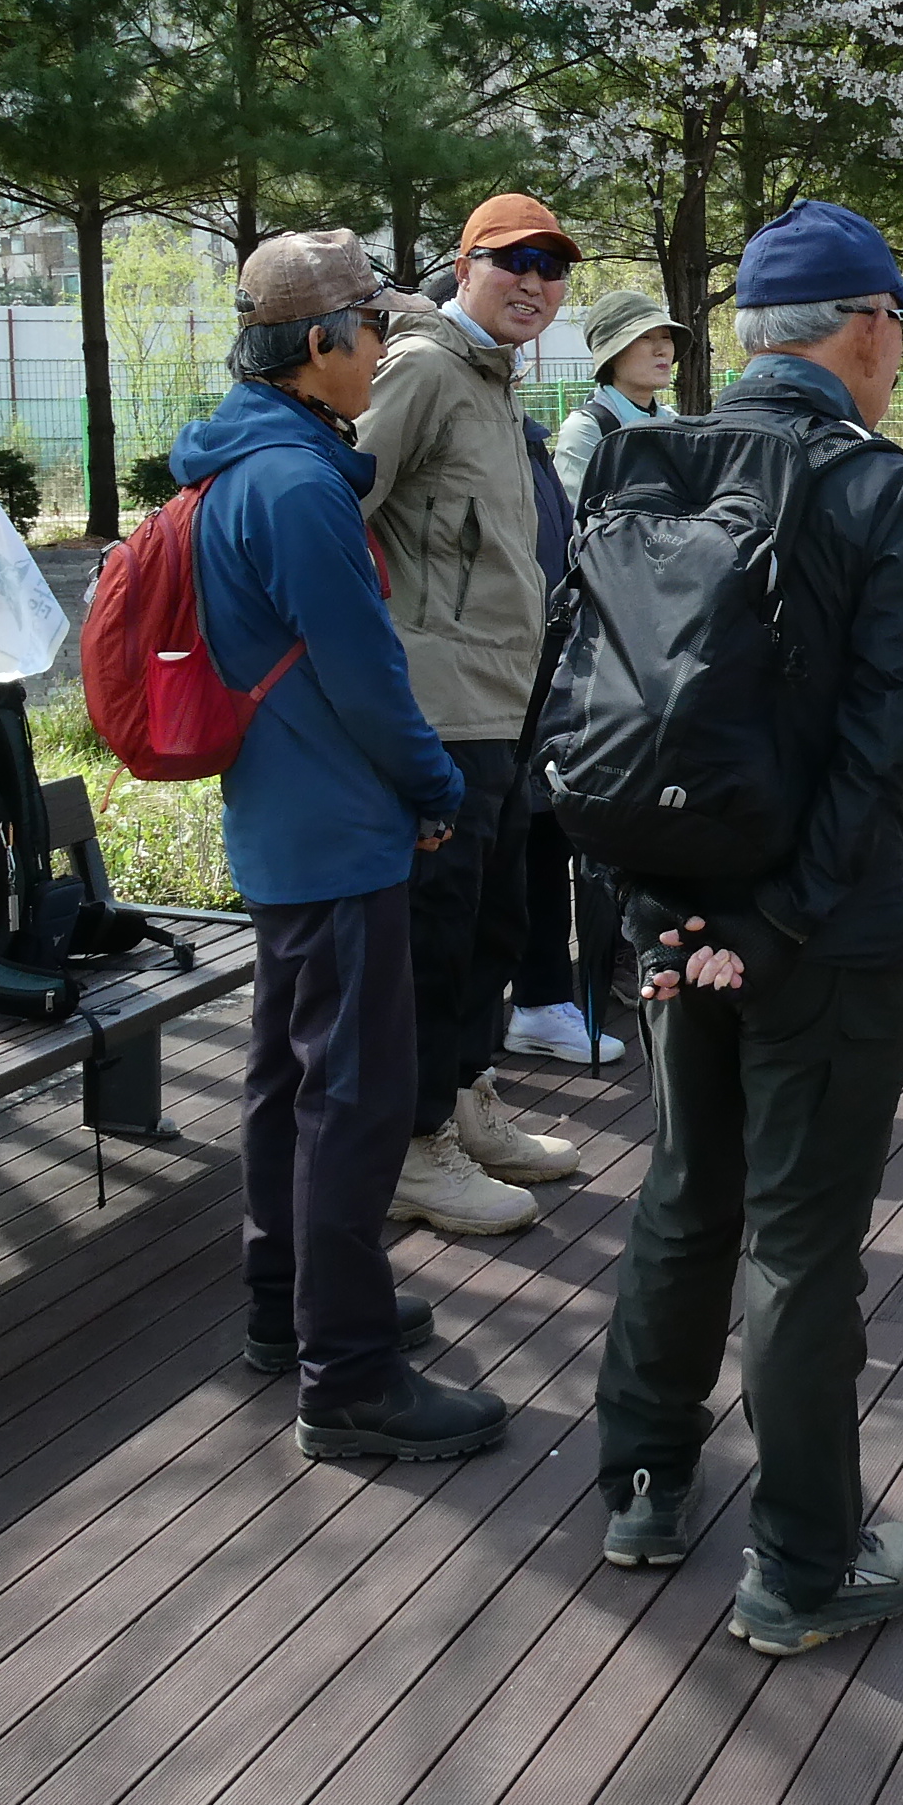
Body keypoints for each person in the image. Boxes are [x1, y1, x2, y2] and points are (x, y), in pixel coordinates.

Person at [593, 199, 903, 1658]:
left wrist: (667, 909)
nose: (899, 350)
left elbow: (598, 700)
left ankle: (643, 1485)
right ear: (862, 326)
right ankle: (803, 1565)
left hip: (670, 911)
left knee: (687, 1191)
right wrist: (785, 918)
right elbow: (882, 741)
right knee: (802, 1242)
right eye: (898, 326)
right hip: (821, 930)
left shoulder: (642, 456)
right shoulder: (878, 489)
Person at [173, 230, 503, 1462]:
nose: (383, 352)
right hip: (340, 825)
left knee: (288, 1083)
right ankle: (349, 1375)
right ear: (319, 344)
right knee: (352, 1102)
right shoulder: (301, 487)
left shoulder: (244, 464)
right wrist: (434, 783)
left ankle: (290, 1304)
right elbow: (366, 673)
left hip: (282, 818)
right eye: (373, 331)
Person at [358, 192, 590, 1238]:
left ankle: (462, 1098)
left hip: (506, 700)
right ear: (464, 269)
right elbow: (340, 505)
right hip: (442, 704)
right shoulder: (422, 368)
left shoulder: (491, 379)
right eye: (512, 262)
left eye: (552, 267)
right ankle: (413, 1149)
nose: (533, 282)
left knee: (493, 923)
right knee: (437, 933)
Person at [505, 404, 628, 1073]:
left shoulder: (523, 433)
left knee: (543, 829)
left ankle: (543, 999)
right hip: (493, 678)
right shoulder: (577, 430)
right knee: (520, 839)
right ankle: (531, 1002)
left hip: (542, 668)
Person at [553, 289, 684, 502]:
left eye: (666, 338)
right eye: (645, 337)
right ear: (612, 353)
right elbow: (574, 515)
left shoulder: (672, 421)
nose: (661, 350)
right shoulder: (587, 429)